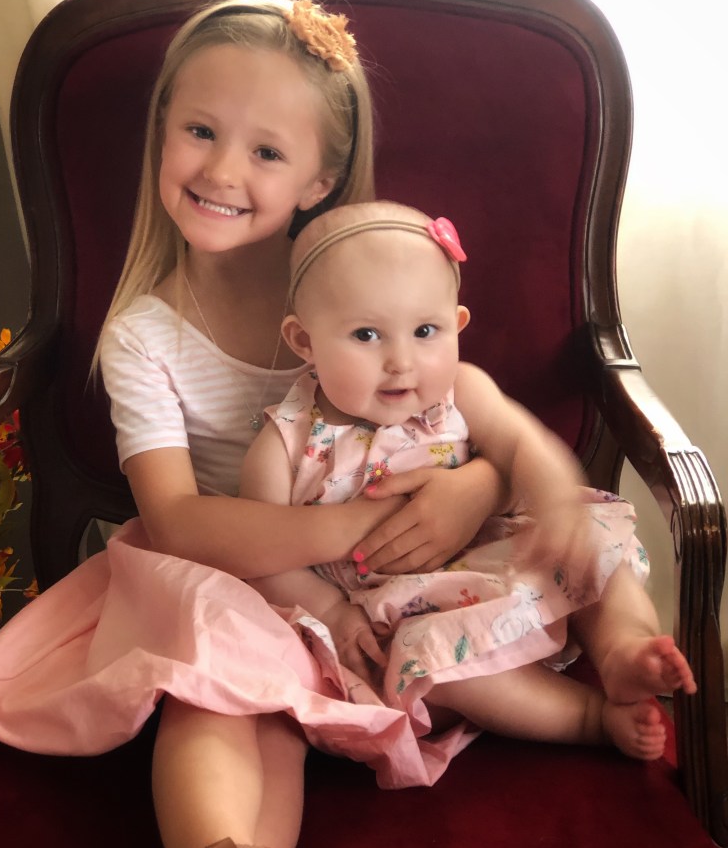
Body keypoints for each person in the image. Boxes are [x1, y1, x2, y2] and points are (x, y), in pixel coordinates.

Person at [0, 0, 508, 848]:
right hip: (210, 566)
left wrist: (479, 485)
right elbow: (177, 522)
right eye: (201, 131)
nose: (221, 169)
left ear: (318, 179)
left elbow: (470, 409)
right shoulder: (144, 334)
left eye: (265, 151)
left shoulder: (361, 289)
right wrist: (358, 523)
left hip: (340, 592)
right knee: (218, 687)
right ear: (161, 133)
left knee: (278, 724)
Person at [239, 199, 697, 774]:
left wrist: (556, 504)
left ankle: (624, 649)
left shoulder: (464, 390)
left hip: (516, 562)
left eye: (425, 331)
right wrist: (332, 612)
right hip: (406, 615)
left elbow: (527, 446)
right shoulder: (283, 446)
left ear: (456, 325)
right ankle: (587, 717)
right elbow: (263, 557)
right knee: (433, 669)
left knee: (595, 540)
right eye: (366, 334)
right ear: (304, 340)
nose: (401, 361)